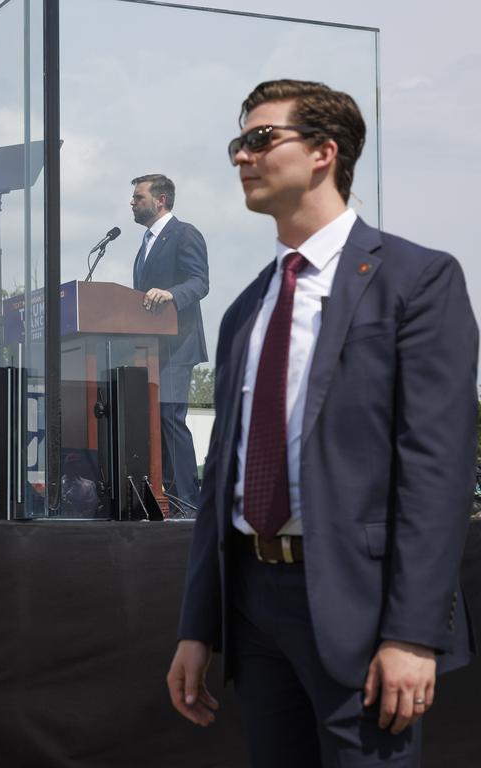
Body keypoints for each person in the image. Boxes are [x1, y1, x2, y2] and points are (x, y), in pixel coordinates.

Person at [166, 79, 477, 767]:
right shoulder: (247, 307)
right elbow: (223, 473)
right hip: (254, 609)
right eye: (236, 144)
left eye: (259, 139)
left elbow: (437, 470)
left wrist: (413, 634)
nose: (241, 158)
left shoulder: (417, 281)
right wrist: (199, 627)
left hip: (361, 614)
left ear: (323, 153)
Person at [130, 174, 209, 516]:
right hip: (149, 348)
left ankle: (190, 502)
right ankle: (169, 498)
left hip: (177, 344)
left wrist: (172, 294)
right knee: (154, 420)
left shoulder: (184, 233)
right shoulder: (143, 245)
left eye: (138, 197)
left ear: (160, 200)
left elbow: (200, 282)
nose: (132, 203)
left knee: (169, 416)